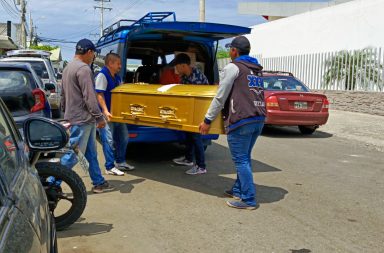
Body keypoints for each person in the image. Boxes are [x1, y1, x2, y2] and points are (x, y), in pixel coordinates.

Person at [199, 36, 266, 210]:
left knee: (241, 159)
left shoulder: (233, 67)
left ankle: (248, 199)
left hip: (242, 119)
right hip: (258, 118)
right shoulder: (256, 69)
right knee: (245, 157)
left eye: (230, 49)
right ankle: (238, 189)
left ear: (235, 51)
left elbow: (220, 97)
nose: (229, 52)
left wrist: (207, 120)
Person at [60, 38, 111, 194]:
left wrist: (65, 112)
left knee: (90, 153)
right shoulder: (84, 69)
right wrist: (99, 117)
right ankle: (51, 181)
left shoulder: (68, 68)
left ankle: (98, 181)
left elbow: (63, 94)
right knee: (73, 155)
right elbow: (90, 97)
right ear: (89, 52)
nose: (93, 57)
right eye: (93, 54)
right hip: (82, 119)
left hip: (76, 117)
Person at [95, 52, 135, 176]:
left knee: (124, 137)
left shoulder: (117, 77)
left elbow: (121, 92)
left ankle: (120, 161)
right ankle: (109, 166)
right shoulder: (102, 75)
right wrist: (105, 111)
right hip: (106, 114)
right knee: (109, 140)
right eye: (118, 63)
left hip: (117, 114)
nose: (120, 66)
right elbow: (99, 94)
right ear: (110, 63)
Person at [171, 53, 209, 175]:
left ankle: (201, 166)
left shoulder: (196, 77)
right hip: (188, 111)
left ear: (183, 66)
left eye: (176, 66)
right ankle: (188, 159)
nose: (175, 69)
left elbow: (196, 99)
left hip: (198, 112)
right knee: (189, 136)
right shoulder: (185, 77)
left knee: (196, 138)